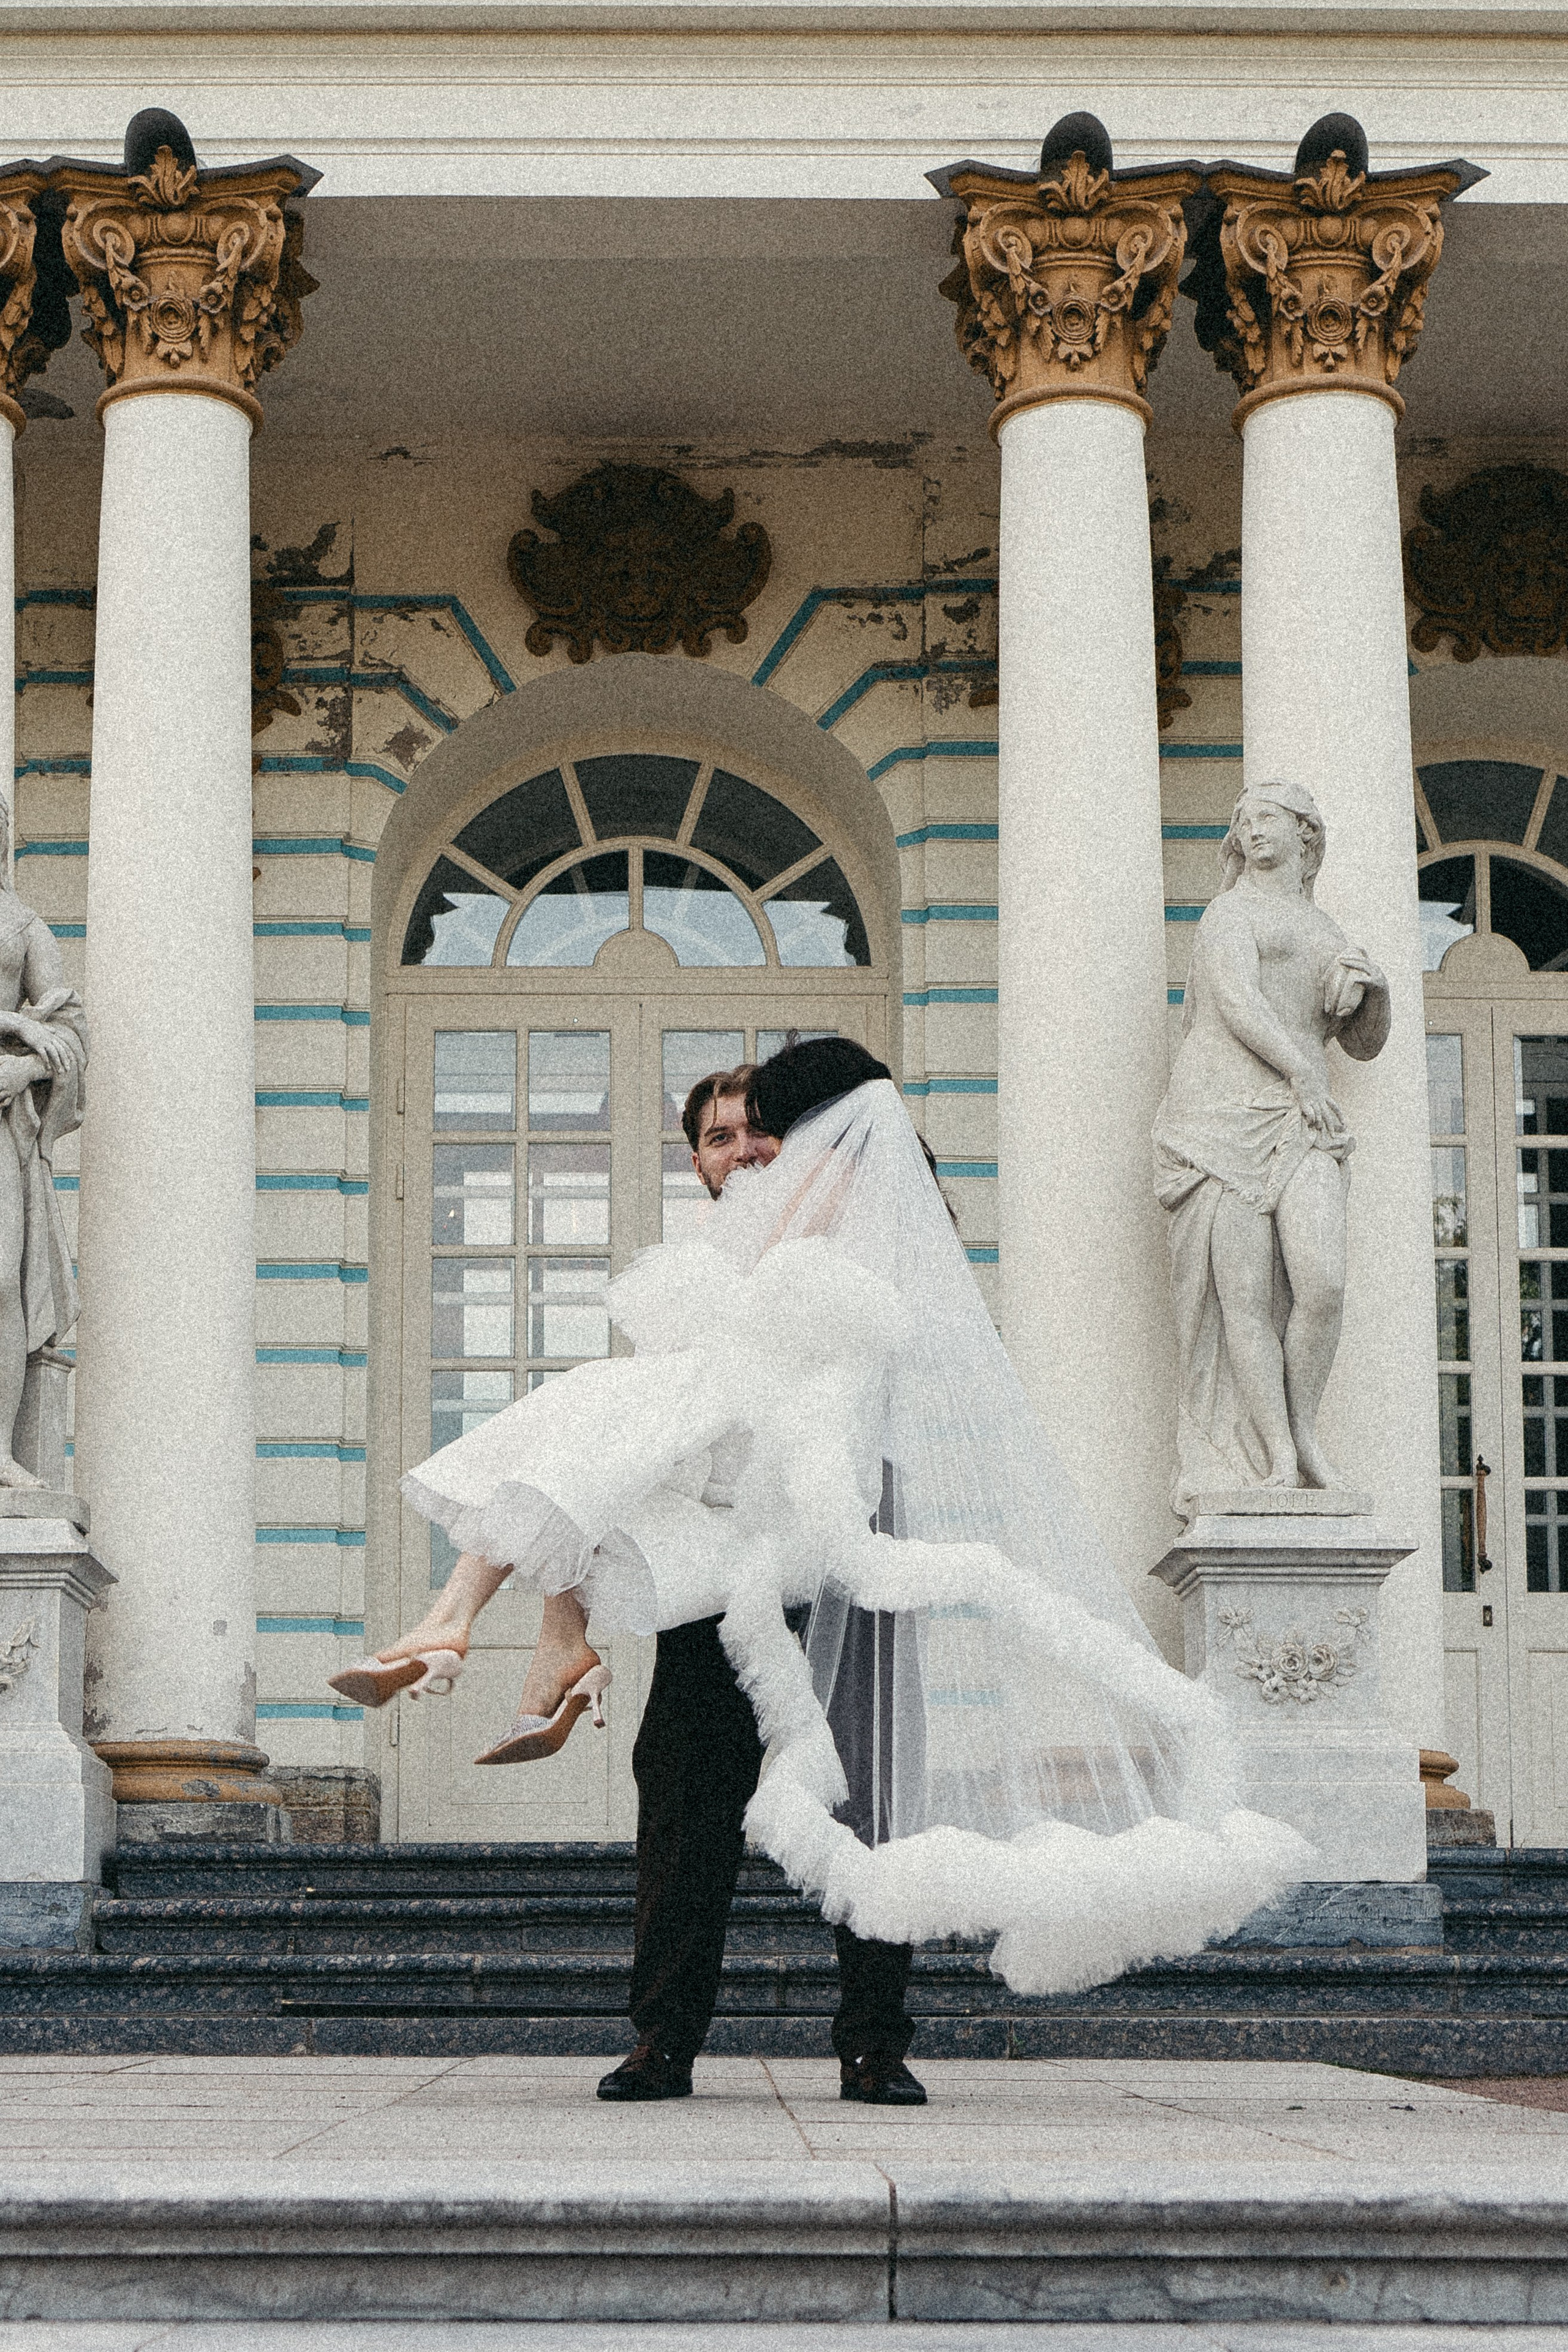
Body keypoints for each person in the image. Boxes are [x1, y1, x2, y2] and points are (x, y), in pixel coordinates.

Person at [338, 1038, 1312, 2068]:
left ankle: (875, 2040)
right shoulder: (738, 1238)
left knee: (870, 1780)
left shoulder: (878, 1215)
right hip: (733, 1538)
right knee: (685, 1783)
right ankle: (663, 2038)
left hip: (849, 1521)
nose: (750, 1150)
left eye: (764, 1129)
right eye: (727, 1136)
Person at [1152, 783, 1390, 1515]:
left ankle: (1305, 1429)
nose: (1252, 830)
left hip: (1302, 1114)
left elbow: (1361, 1042)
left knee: (1323, 1284)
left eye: (1267, 819)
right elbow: (1233, 999)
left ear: (1305, 834)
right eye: (1243, 822)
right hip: (1220, 1114)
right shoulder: (1230, 912)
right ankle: (1278, 1454)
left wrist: (1375, 993)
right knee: (1243, 1299)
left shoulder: (1326, 930)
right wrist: (1297, 1069)